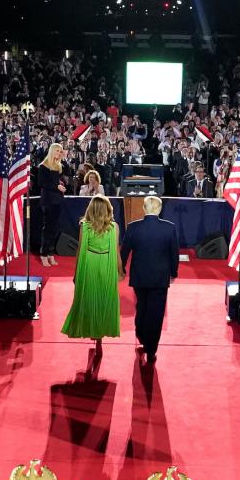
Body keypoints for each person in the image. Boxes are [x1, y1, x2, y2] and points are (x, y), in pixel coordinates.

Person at [120, 194, 181, 361]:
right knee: (156, 312)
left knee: (141, 306)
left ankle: (141, 334)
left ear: (144, 208)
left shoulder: (133, 227)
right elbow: (174, 254)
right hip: (160, 278)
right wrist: (174, 273)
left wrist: (121, 270)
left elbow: (124, 252)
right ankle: (151, 347)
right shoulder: (169, 228)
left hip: (139, 276)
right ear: (159, 209)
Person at [60, 193, 122, 349]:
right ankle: (100, 333)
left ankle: (94, 331)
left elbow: (80, 250)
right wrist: (120, 271)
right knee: (104, 298)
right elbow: (116, 252)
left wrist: (76, 274)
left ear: (91, 209)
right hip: (106, 264)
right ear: (108, 209)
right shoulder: (114, 227)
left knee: (90, 298)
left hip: (89, 265)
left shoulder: (85, 226)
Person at [38, 142, 68, 266]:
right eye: (58, 151)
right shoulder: (43, 166)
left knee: (55, 228)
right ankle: (44, 254)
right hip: (48, 201)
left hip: (57, 200)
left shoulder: (58, 166)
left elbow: (61, 179)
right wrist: (57, 186)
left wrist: (60, 185)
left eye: (61, 152)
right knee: (48, 229)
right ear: (52, 151)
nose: (60, 153)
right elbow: (42, 183)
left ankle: (50, 254)